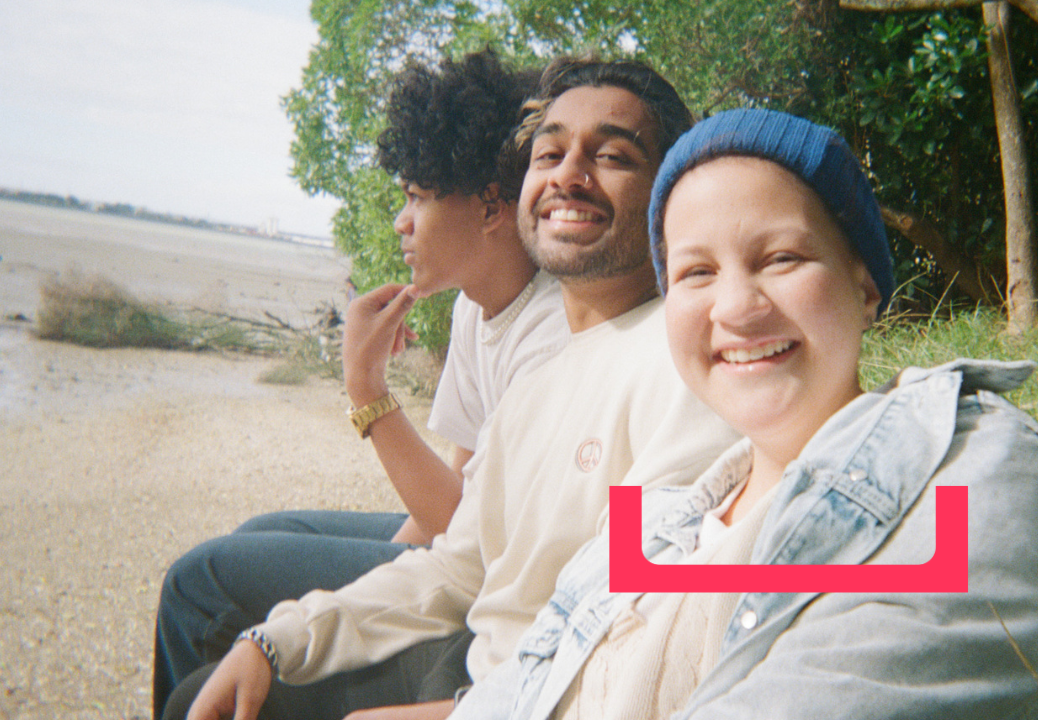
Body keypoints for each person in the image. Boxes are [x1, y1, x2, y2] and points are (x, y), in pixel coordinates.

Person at [451, 108, 1038, 720]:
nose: (735, 306)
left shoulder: (976, 461)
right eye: (695, 272)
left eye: (781, 258)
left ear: (865, 288)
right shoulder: (646, 530)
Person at [165, 57, 740, 720]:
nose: (569, 176)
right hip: (487, 668)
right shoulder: (541, 383)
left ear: (670, 197)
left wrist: (456, 713)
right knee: (221, 672)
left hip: (510, 692)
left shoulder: (680, 368)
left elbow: (636, 639)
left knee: (199, 624)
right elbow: (460, 562)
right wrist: (278, 641)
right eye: (549, 153)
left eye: (611, 155)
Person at [152, 50, 570, 718]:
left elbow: (467, 532)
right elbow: (452, 495)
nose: (401, 223)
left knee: (198, 580)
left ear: (492, 207)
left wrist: (367, 392)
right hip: (463, 541)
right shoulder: (476, 306)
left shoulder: (553, 331)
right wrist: (375, 574)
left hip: (494, 574)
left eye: (415, 197)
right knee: (263, 530)